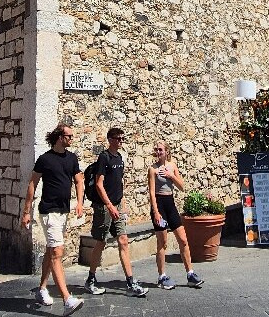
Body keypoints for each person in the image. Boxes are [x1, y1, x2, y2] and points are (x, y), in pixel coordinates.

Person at [21, 124, 84, 317]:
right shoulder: (44, 159)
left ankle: (41, 289)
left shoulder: (72, 158)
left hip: (63, 211)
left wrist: (80, 202)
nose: (72, 139)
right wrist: (26, 211)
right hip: (48, 211)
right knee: (57, 252)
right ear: (59, 137)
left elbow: (79, 180)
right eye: (69, 136)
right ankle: (67, 300)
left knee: (51, 249)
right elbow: (33, 183)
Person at [85, 127, 148, 298]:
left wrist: (122, 204)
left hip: (117, 205)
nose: (121, 141)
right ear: (110, 139)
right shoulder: (103, 158)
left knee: (123, 240)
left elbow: (119, 181)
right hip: (104, 206)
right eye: (118, 138)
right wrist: (110, 205)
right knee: (101, 241)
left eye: (122, 138)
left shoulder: (119, 158)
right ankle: (90, 279)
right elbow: (99, 184)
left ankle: (130, 281)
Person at [147, 140, 204, 289]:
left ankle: (190, 274)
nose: (158, 152)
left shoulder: (172, 166)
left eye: (160, 149)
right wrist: (156, 212)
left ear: (167, 151)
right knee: (163, 242)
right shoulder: (152, 169)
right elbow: (152, 192)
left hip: (170, 204)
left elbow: (182, 186)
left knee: (183, 240)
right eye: (156, 149)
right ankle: (162, 276)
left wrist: (170, 176)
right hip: (159, 205)